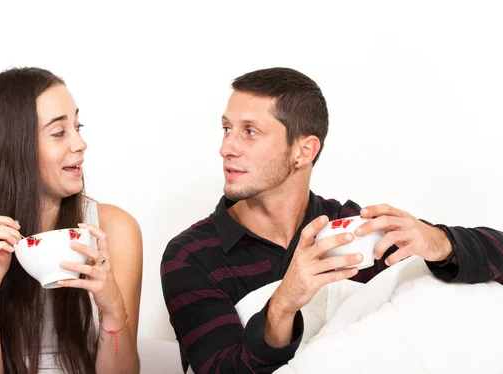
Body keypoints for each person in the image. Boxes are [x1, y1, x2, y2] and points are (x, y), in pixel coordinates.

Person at [160, 67, 503, 373]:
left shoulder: (350, 228)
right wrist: (282, 304)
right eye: (226, 129)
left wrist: (439, 243)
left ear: (304, 151)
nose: (226, 148)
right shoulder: (191, 257)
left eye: (250, 132)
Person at [0, 67, 143, 374]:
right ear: (11, 149)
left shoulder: (115, 230)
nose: (80, 143)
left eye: (78, 126)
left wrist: (112, 310)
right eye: (59, 132)